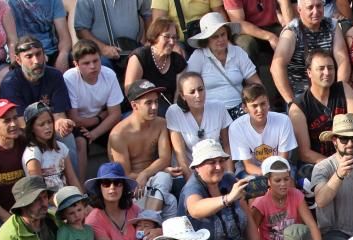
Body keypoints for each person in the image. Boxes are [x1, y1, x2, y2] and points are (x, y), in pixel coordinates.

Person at [0, 36, 77, 169]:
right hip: (25, 132)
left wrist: (63, 123)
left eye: (38, 54)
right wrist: (47, 128)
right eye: (29, 56)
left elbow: (59, 115)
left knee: (67, 137)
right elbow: (21, 123)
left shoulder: (55, 76)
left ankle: (76, 187)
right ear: (18, 60)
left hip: (48, 127)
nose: (36, 61)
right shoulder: (10, 83)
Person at [109, 79, 181, 219]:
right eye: (148, 103)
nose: (154, 107)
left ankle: (148, 225)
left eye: (156, 101)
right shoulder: (119, 134)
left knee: (164, 180)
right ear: (134, 105)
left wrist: (146, 174)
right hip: (134, 187)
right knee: (169, 197)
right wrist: (149, 174)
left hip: (155, 180)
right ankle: (149, 223)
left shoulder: (161, 124)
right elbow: (124, 174)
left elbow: (165, 159)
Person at [179, 139, 253, 240]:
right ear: (197, 167)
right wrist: (228, 198)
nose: (218, 167)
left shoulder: (229, 180)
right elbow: (195, 209)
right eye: (212, 162)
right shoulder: (192, 188)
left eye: (221, 161)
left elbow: (249, 220)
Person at [290, 50, 353, 167]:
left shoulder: (343, 89)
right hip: (319, 165)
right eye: (321, 68)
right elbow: (305, 153)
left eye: (330, 68)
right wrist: (337, 166)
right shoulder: (298, 106)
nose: (327, 72)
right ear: (309, 72)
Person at [64, 39, 124, 181]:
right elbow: (74, 119)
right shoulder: (69, 78)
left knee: (120, 134)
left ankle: (121, 179)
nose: (93, 66)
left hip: (100, 123)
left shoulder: (109, 74)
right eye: (86, 63)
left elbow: (115, 114)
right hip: (80, 124)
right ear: (76, 64)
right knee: (80, 142)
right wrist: (100, 117)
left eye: (96, 61)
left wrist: (94, 133)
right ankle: (82, 188)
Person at [271, 0, 350, 105]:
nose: (316, 11)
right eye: (310, 7)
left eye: (319, 6)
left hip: (330, 89)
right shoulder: (292, 31)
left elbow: (343, 60)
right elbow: (276, 67)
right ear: (299, 10)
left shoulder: (332, 25)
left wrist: (339, 92)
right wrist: (292, 102)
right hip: (302, 94)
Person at [186, 13, 262, 118]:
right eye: (215, 37)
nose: (220, 39)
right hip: (210, 112)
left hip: (240, 110)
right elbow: (188, 85)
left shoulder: (237, 52)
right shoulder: (198, 56)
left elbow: (255, 82)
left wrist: (261, 103)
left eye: (223, 34)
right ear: (206, 39)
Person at [167, 71, 234, 178]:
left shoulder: (218, 107)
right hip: (189, 173)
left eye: (201, 89)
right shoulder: (174, 112)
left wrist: (230, 175)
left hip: (216, 171)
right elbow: (180, 156)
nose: (198, 95)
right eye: (192, 92)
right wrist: (192, 184)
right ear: (182, 95)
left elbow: (227, 146)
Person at [250, 156, 319, 240]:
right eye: (277, 180)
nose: (283, 184)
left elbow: (311, 224)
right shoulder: (260, 203)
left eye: (286, 179)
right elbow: (252, 233)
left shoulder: (296, 195)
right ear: (268, 181)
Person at [228, 84, 297, 177]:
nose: (260, 110)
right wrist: (269, 178)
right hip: (251, 170)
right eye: (254, 106)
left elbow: (282, 159)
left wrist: (274, 178)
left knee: (286, 182)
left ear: (268, 103)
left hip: (280, 167)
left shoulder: (283, 121)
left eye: (263, 104)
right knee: (255, 186)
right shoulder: (236, 127)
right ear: (244, 108)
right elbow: (248, 165)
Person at [123, 18, 186, 116]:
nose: (172, 41)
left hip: (169, 110)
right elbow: (130, 91)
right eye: (167, 37)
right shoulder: (140, 57)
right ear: (155, 37)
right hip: (141, 109)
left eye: (174, 37)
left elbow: (178, 95)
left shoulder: (177, 60)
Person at [0, 100, 27, 237]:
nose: (13, 124)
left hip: (24, 210)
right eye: (6, 120)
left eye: (15, 118)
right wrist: (9, 220)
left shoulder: (24, 141)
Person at [73, 0, 150, 71]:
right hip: (100, 53)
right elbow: (81, 30)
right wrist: (103, 49)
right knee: (99, 65)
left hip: (133, 48)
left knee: (149, 62)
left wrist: (149, 41)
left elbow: (148, 16)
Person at [21, 102, 80, 193]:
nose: (48, 127)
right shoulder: (32, 153)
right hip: (48, 203)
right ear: (31, 128)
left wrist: (83, 200)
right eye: (42, 124)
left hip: (67, 198)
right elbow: (39, 191)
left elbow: (72, 179)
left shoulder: (61, 147)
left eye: (49, 122)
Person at [8, 0, 70, 72]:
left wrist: (63, 55)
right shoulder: (9, 3)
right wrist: (15, 65)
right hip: (25, 53)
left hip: (51, 52)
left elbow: (64, 36)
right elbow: (12, 40)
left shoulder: (54, 1)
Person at [149, 0, 224, 43]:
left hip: (206, 37)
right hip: (178, 41)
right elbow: (158, 23)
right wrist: (173, 45)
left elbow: (219, 13)